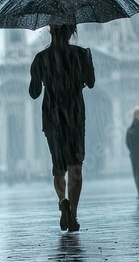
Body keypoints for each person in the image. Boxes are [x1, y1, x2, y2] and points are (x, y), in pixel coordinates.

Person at [29, 23, 95, 232]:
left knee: (58, 167)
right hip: (74, 115)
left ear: (51, 31)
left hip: (52, 115)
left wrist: (37, 73)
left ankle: (62, 202)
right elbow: (91, 83)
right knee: (76, 166)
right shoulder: (81, 54)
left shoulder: (41, 58)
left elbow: (34, 93)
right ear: (71, 32)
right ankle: (73, 213)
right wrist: (87, 64)